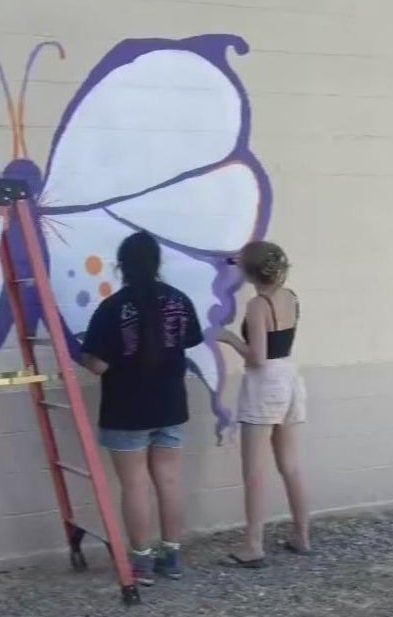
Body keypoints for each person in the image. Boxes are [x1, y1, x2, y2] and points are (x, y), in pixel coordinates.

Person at [79, 230, 204, 586]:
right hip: (171, 405)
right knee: (169, 480)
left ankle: (142, 563)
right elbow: (189, 339)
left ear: (122, 266)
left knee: (134, 485)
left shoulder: (113, 307)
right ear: (157, 263)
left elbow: (98, 365)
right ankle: (173, 556)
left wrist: (82, 354)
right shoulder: (179, 300)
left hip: (127, 411)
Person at [215, 240, 311, 568]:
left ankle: (253, 546)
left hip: (265, 383)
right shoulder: (290, 297)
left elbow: (256, 357)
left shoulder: (258, 306)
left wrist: (229, 338)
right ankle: (302, 535)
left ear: (251, 273)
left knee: (254, 471)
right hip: (290, 377)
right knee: (290, 464)